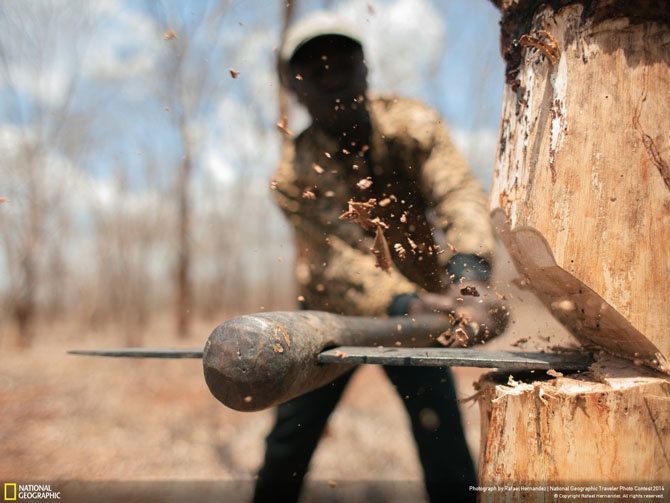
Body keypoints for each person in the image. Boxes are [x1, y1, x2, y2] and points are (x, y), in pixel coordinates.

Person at [254, 12, 507, 503]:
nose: (331, 79)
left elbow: (456, 193)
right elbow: (337, 261)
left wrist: (470, 277)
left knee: (442, 436)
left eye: (342, 65)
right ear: (294, 88)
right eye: (314, 72)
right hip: (331, 317)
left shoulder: (411, 125)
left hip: (420, 313)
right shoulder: (292, 174)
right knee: (290, 440)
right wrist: (407, 304)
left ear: (365, 71)